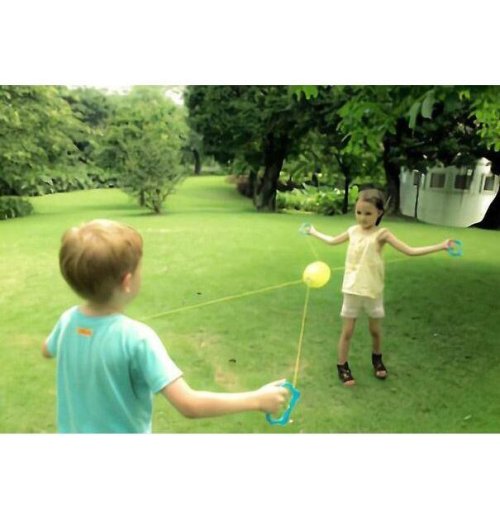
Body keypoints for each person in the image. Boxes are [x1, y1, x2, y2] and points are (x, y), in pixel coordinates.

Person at [42, 219, 289, 433]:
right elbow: (189, 404)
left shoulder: (68, 320)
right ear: (127, 281)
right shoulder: (136, 338)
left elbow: (47, 349)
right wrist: (257, 400)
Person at [306, 189, 453, 386]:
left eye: (368, 213)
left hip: (373, 291)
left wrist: (441, 246)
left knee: (375, 330)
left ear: (379, 213)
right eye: (359, 212)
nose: (362, 218)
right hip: (352, 289)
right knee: (347, 331)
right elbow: (332, 241)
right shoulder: (352, 231)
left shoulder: (382, 234)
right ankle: (342, 366)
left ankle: (377, 359)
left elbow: (410, 251)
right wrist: (313, 232)